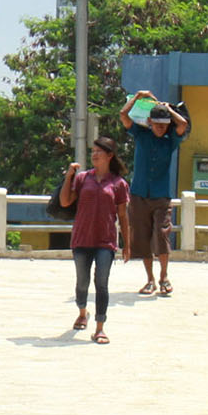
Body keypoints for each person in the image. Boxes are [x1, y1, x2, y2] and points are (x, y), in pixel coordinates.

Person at [60, 136, 131, 344]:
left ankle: (100, 327)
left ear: (110, 156)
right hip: (82, 239)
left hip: (106, 241)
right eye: (93, 151)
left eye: (99, 151)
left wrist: (127, 244)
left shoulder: (119, 184)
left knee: (102, 283)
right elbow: (65, 201)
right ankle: (83, 312)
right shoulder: (83, 179)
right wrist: (69, 177)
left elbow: (123, 216)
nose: (95, 155)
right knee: (82, 283)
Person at [119, 90, 190, 296]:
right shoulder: (141, 135)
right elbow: (124, 115)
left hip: (161, 196)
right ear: (149, 122)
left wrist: (168, 109)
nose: (160, 128)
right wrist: (138, 97)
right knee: (141, 238)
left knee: (161, 236)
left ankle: (164, 277)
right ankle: (149, 279)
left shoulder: (171, 140)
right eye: (157, 123)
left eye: (163, 124)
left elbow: (183, 125)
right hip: (139, 194)